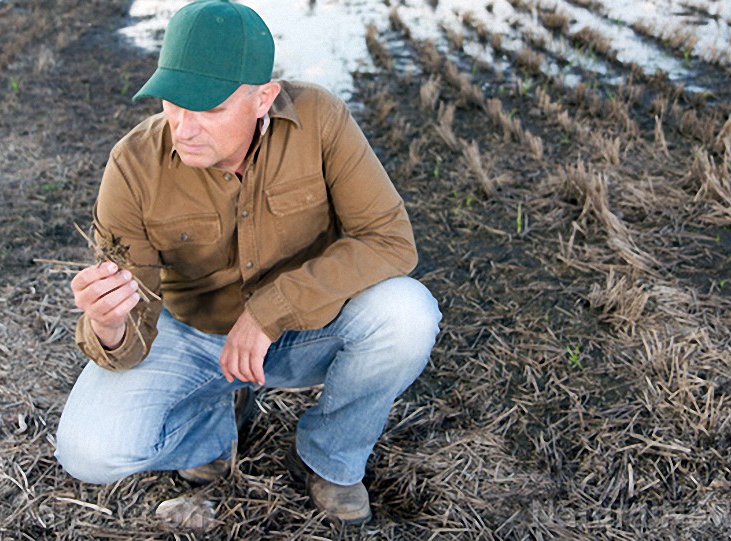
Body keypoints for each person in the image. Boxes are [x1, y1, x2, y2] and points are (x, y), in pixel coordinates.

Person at [53, 0, 441, 526]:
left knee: (408, 313)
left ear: (263, 98)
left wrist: (270, 311)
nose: (183, 127)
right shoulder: (132, 164)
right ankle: (210, 433)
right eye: (172, 101)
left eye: (209, 107)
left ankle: (326, 459)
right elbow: (135, 323)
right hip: (193, 336)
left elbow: (391, 240)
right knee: (88, 452)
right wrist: (110, 325)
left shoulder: (320, 120)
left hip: (304, 329)